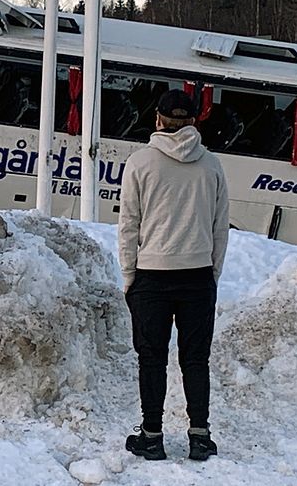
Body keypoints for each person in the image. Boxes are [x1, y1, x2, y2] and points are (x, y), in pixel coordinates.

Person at [118, 89, 229, 462]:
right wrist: (211, 273)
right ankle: (199, 435)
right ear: (194, 121)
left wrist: (129, 276)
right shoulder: (211, 165)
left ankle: (152, 436)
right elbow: (219, 227)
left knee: (152, 359)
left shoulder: (140, 163)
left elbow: (128, 225)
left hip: (152, 276)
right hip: (197, 276)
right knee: (195, 359)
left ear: (158, 120)